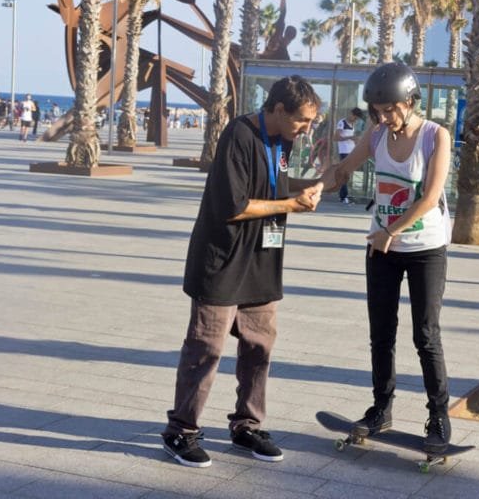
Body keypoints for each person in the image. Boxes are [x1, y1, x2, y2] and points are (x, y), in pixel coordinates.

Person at [161, 75, 323, 468]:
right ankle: (181, 431)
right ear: (279, 109)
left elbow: (273, 188)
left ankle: (246, 425)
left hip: (262, 262)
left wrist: (313, 188)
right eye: (303, 120)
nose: (307, 128)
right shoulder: (237, 135)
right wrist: (291, 206)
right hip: (222, 259)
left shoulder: (282, 141)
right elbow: (233, 205)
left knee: (259, 347)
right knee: (206, 349)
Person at [322, 63, 453, 454]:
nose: (382, 116)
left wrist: (390, 232)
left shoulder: (435, 136)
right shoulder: (377, 134)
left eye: (389, 108)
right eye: (377, 109)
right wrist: (319, 183)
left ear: (410, 101)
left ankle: (439, 415)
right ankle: (381, 409)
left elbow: (430, 197)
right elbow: (344, 169)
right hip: (381, 248)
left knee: (425, 334)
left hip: (425, 248)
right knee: (381, 333)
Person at [334, 107, 364, 204]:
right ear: (351, 114)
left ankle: (344, 195)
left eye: (357, 118)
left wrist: (356, 142)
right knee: (344, 174)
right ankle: (343, 196)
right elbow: (336, 137)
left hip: (351, 152)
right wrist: (350, 137)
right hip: (344, 152)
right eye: (354, 117)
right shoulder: (342, 123)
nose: (355, 119)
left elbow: (351, 139)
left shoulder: (352, 125)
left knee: (347, 175)